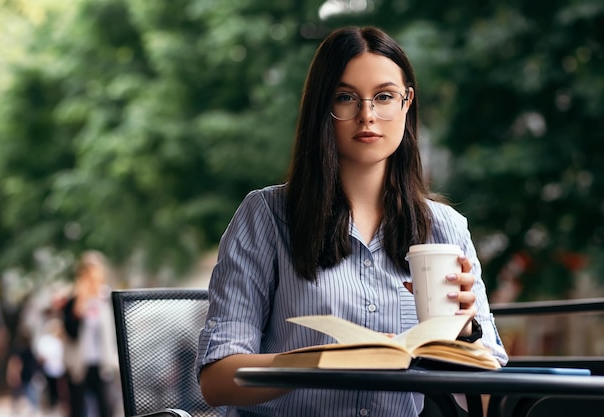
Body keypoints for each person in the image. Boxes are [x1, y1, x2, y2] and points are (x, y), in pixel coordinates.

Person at [195, 26, 508, 417]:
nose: (367, 115)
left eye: (384, 97)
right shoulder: (267, 217)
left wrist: (463, 335)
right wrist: (325, 362)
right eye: (345, 98)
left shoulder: (444, 228)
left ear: (406, 102)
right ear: (321, 106)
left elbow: (489, 399)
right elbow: (218, 378)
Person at [61, 251, 118, 417]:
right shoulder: (74, 301)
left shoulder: (106, 298)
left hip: (103, 363)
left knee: (106, 408)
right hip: (80, 364)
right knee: (78, 408)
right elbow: (70, 332)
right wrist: (79, 305)